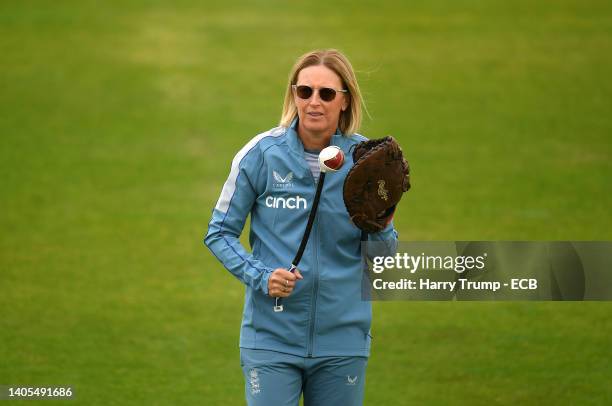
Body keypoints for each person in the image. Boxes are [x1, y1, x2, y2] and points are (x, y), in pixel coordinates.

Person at [204, 49, 398, 406]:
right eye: (304, 91)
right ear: (293, 95)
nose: (313, 102)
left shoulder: (366, 162)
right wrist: (262, 276)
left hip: (342, 340)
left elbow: (383, 258)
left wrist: (383, 223)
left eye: (326, 94)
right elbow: (218, 232)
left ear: (344, 101)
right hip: (271, 338)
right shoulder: (261, 154)